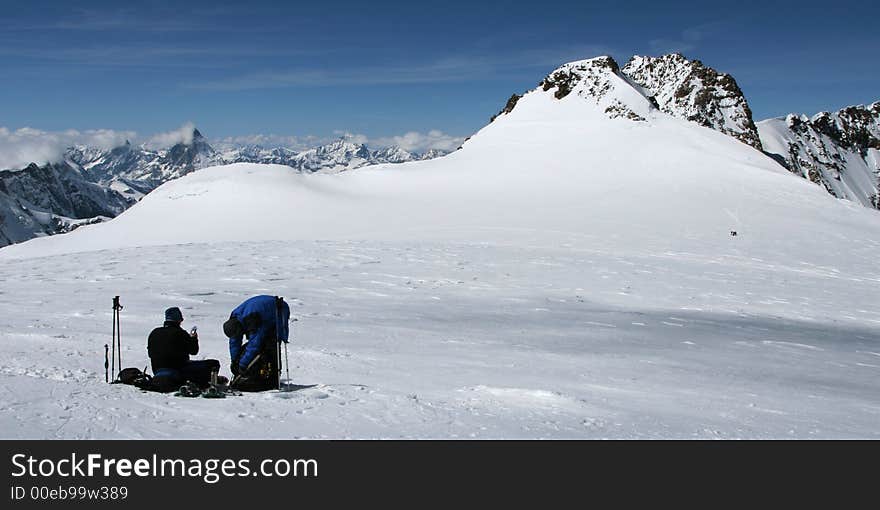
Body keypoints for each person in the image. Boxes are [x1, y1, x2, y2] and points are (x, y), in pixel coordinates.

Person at [223, 295, 290, 391]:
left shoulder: (252, 320)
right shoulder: (235, 319)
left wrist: (242, 364)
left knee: (271, 344)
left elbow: (254, 344)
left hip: (278, 310)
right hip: (261, 312)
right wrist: (234, 361)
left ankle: (273, 379)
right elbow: (234, 342)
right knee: (257, 346)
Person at [147, 307, 220, 390]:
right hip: (177, 370)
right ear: (179, 319)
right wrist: (193, 338)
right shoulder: (180, 333)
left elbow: (150, 353)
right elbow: (194, 351)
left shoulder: (154, 332)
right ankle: (204, 384)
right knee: (213, 364)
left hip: (157, 370)